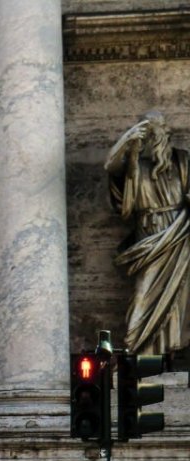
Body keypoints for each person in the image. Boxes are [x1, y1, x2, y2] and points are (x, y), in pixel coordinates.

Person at [106, 111, 190, 354]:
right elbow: (110, 166)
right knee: (142, 297)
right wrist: (127, 140)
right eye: (149, 131)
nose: (156, 137)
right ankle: (138, 351)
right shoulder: (136, 166)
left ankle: (169, 353)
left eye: (159, 130)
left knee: (177, 298)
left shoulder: (183, 162)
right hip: (149, 239)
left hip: (178, 236)